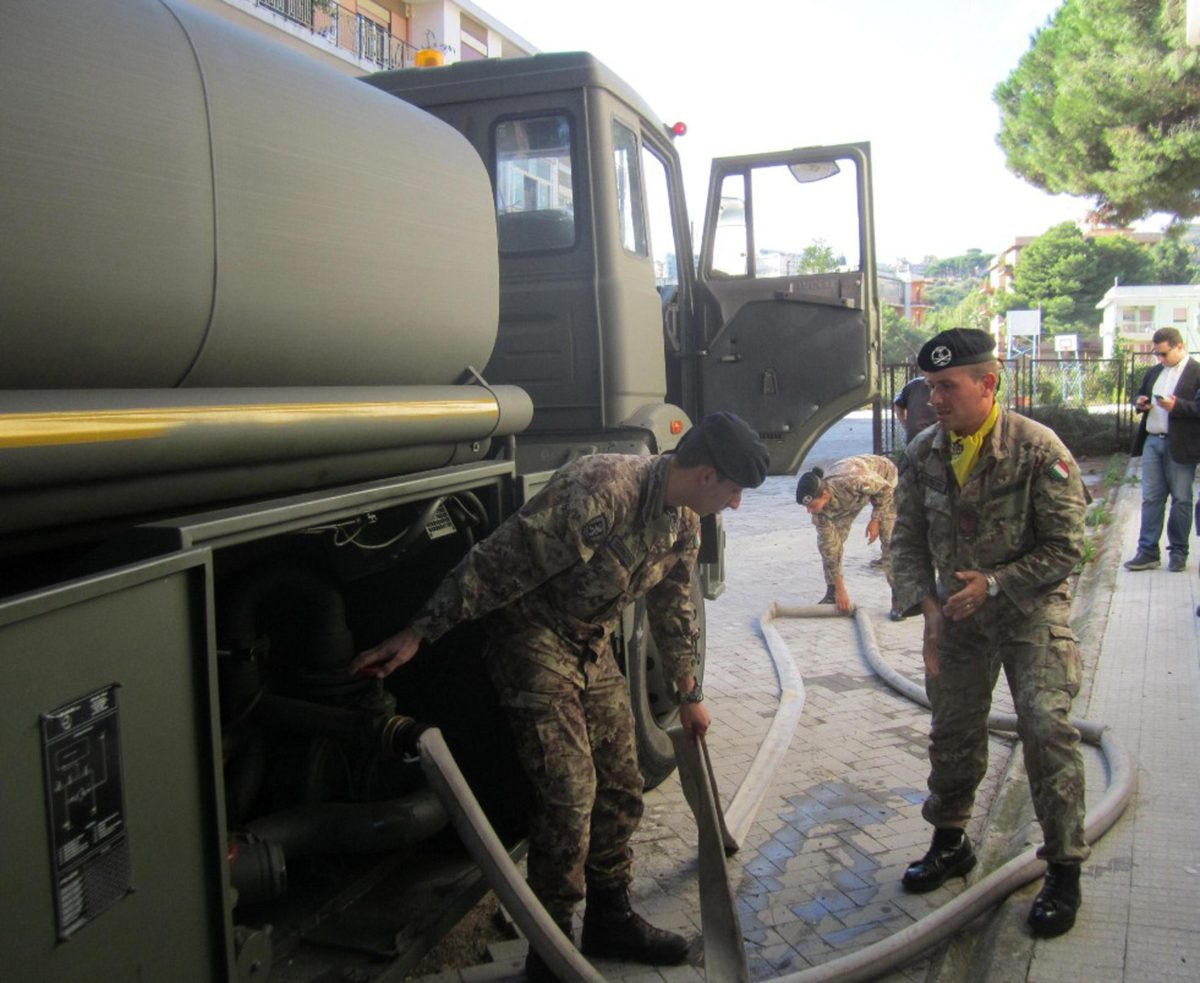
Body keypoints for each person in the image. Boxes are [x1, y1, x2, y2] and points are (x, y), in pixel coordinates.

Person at [350, 412, 769, 982]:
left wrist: (689, 692)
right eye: (735, 490)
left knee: (622, 785)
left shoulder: (683, 521)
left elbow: (675, 608)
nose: (738, 504)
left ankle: (610, 918)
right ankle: (551, 947)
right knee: (571, 796)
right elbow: (496, 564)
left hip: (588, 645)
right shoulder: (602, 490)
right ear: (706, 475)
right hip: (533, 640)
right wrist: (420, 631)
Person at [890, 328, 1089, 939]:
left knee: (1044, 724)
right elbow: (906, 539)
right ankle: (951, 842)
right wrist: (924, 608)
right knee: (951, 726)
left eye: (947, 387)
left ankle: (1062, 868)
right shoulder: (924, 451)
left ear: (988, 383)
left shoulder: (1036, 449)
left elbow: (1067, 546)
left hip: (1028, 611)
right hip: (957, 615)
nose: (935, 401)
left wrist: (998, 583)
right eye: (929, 388)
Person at [1123, 327, 1200, 573]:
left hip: (1181, 445)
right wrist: (1140, 402)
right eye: (1157, 354)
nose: (1161, 359)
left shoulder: (1196, 372)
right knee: (1151, 498)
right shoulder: (1156, 371)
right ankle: (1147, 551)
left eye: (1164, 354)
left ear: (1179, 346)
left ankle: (1178, 552)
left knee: (1181, 499)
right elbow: (1139, 394)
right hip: (1153, 441)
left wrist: (1176, 406)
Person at [795, 455, 898, 617]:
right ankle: (832, 593)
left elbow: (885, 490)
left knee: (889, 538)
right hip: (850, 500)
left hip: (883, 480)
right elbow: (830, 550)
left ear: (825, 495)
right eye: (807, 507)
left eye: (812, 505)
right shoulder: (820, 514)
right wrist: (840, 588)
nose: (809, 511)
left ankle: (899, 597)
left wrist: (875, 519)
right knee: (828, 545)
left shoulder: (853, 481)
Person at [894, 374, 938, 443]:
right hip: (913, 439)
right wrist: (905, 424)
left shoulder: (943, 388)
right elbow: (898, 404)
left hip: (935, 439)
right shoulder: (913, 385)